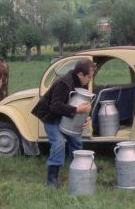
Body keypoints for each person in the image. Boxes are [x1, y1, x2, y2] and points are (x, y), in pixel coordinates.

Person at [31, 59, 96, 188]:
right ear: (80, 74)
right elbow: (54, 106)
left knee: (76, 141)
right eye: (89, 77)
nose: (90, 79)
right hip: (50, 116)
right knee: (59, 142)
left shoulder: (80, 83)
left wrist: (87, 117)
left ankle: (78, 170)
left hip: (65, 116)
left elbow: (82, 103)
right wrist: (77, 110)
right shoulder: (64, 83)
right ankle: (52, 179)